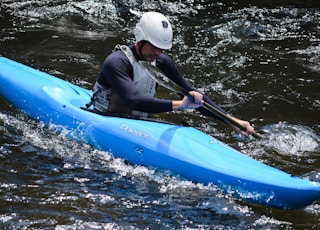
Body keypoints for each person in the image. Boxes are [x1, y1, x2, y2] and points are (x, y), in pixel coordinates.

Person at [88, 11, 254, 137]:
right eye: (154, 47)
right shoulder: (116, 62)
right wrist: (180, 105)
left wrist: (231, 121)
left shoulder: (162, 62)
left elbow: (191, 93)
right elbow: (134, 101)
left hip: (140, 125)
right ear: (140, 39)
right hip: (107, 119)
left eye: (161, 49)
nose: (158, 52)